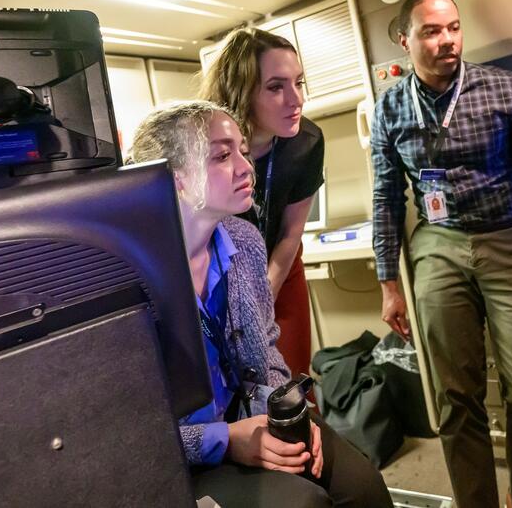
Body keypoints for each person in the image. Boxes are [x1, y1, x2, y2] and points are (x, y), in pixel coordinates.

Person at [128, 100, 390, 508]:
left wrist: (291, 416)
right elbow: (129, 428)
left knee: (365, 488)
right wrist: (224, 440)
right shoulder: (129, 277)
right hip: (183, 454)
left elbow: (266, 352)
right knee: (304, 503)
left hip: (253, 416)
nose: (245, 168)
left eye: (243, 152)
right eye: (221, 155)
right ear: (174, 177)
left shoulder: (244, 241)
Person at [369, 0, 512, 508]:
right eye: (431, 31)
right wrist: (390, 284)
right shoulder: (388, 109)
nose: (447, 40)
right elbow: (386, 198)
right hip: (438, 241)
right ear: (403, 39)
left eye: (453, 27)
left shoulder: (505, 88)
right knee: (455, 394)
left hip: (509, 235)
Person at [201, 28, 324, 382]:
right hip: (224, 273)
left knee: (290, 381)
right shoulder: (209, 146)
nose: (295, 99)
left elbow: (291, 233)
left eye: (298, 83)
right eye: (275, 87)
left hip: (281, 269)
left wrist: (264, 296)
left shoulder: (307, 142)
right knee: (235, 381)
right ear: (242, 91)